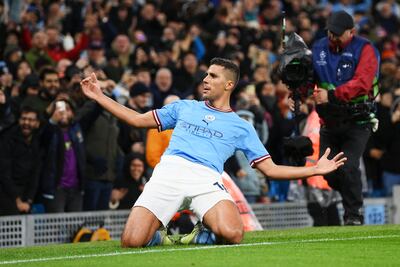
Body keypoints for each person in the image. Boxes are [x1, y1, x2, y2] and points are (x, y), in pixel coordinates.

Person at [80, 57, 346, 248]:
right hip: (168, 173)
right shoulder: (184, 107)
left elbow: (270, 169)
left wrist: (315, 169)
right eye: (206, 74)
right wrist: (100, 97)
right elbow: (137, 120)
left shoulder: (242, 126)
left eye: (213, 76)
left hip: (206, 179)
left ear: (229, 85)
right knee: (130, 242)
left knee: (233, 234)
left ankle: (201, 234)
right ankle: (158, 235)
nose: (205, 79)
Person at [312, 10, 380, 225]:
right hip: (329, 122)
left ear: (352, 31)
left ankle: (354, 216)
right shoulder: (319, 47)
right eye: (330, 32)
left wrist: (331, 95)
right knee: (328, 171)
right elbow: (310, 76)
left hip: (357, 121)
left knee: (348, 166)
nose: (333, 37)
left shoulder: (365, 49)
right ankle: (352, 192)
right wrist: (298, 90)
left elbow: (363, 83)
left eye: (338, 34)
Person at [0, 106, 41, 215]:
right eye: (23, 119)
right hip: (6, 195)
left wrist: (28, 200)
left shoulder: (37, 142)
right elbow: (5, 174)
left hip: (26, 195)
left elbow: (35, 174)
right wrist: (17, 200)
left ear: (37, 123)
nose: (26, 123)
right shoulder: (8, 139)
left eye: (31, 120)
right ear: (19, 120)